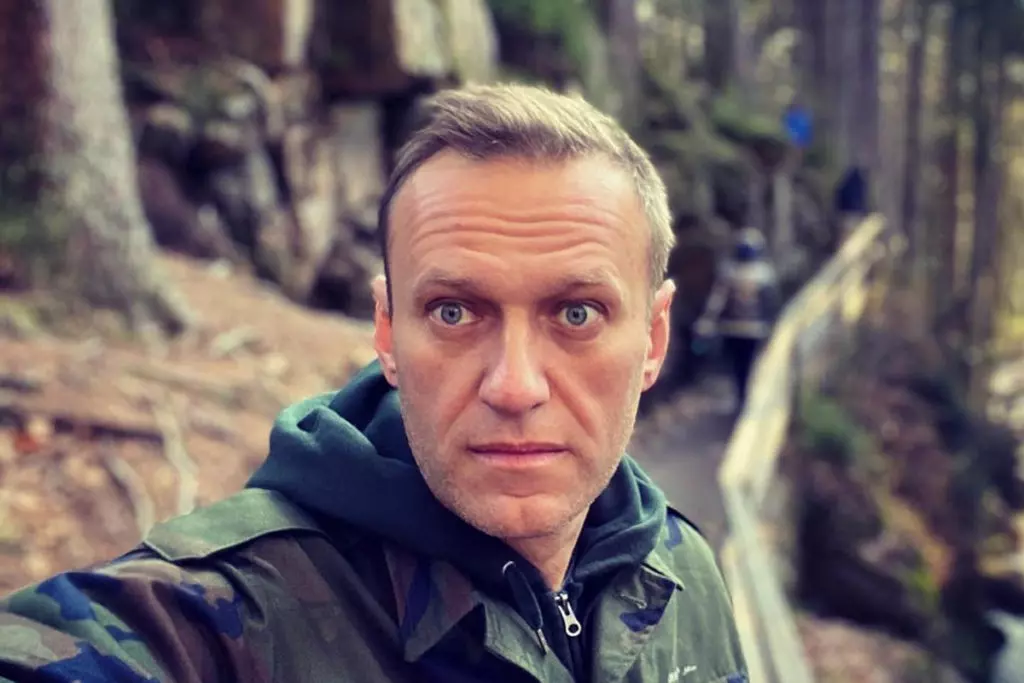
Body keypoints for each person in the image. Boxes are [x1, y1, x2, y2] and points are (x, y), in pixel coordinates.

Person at [0, 84, 748, 682]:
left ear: (653, 339)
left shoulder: (682, 572)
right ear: (387, 332)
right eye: (454, 311)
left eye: (576, 313)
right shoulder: (228, 616)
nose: (515, 386)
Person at [695, 227, 781, 412]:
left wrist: (708, 320)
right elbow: (770, 304)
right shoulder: (764, 274)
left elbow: (717, 301)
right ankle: (746, 400)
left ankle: (742, 398)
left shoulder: (729, 272)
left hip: (734, 329)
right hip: (753, 329)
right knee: (749, 365)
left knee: (739, 366)